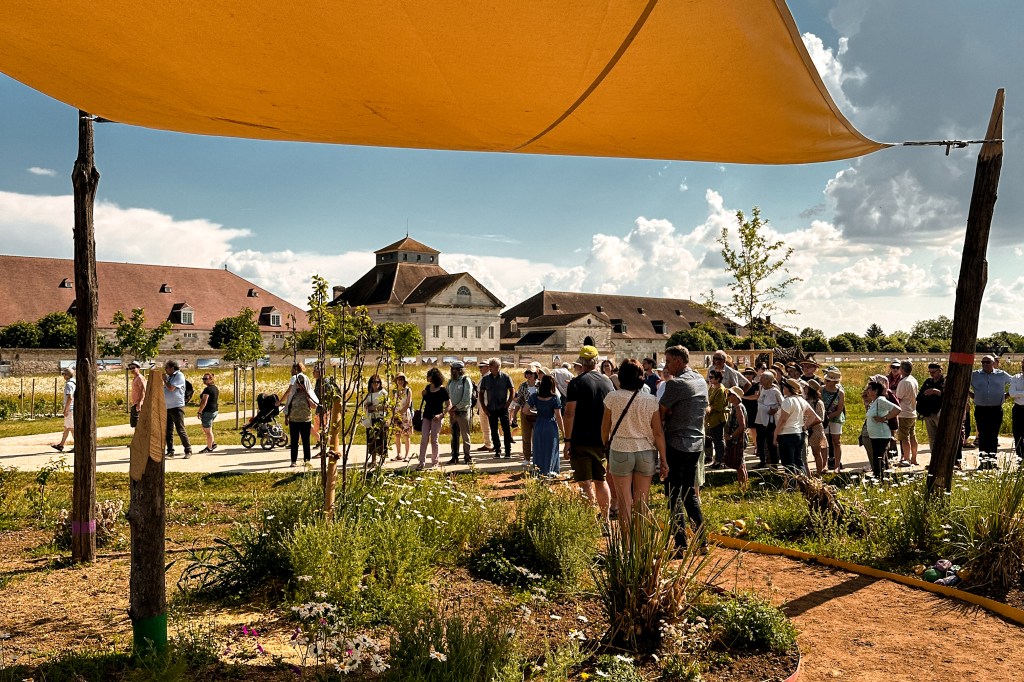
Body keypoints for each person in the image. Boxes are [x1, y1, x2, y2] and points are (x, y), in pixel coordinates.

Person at [602, 359, 667, 530]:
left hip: (620, 449)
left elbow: (605, 428)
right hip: (645, 451)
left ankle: (627, 550)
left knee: (624, 504)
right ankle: (639, 548)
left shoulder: (612, 397)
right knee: (641, 503)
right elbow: (658, 432)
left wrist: (605, 446)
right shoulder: (651, 400)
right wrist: (664, 459)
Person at [659, 345, 708, 555]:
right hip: (696, 443)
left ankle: (680, 544)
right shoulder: (700, 380)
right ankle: (702, 541)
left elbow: (659, 415)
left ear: (679, 360)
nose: (666, 365)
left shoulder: (675, 385)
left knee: (673, 495)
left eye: (668, 361)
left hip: (676, 443)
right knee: (690, 494)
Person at [563, 345, 615, 524]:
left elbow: (569, 413)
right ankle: (605, 519)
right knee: (601, 480)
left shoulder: (577, 383)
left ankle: (589, 521)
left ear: (581, 362)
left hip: (580, 438)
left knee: (585, 482)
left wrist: (567, 440)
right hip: (601, 438)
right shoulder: (607, 382)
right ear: (597, 361)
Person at [970, 355, 1011, 464]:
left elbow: (1014, 383)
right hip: (981, 409)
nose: (984, 364)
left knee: (993, 435)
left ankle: (992, 462)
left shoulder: (1002, 375)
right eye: (983, 362)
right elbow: (964, 385)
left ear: (994, 363)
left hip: (996, 409)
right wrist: (972, 395)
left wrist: (1006, 395)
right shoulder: (974, 375)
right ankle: (983, 462)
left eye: (987, 362)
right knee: (982, 435)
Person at [774, 378, 820, 474]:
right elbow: (814, 416)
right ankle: (803, 483)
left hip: (786, 434)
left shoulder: (788, 401)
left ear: (788, 389)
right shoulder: (801, 400)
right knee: (798, 461)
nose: (783, 388)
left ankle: (792, 485)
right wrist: (804, 426)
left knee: (788, 463)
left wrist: (775, 434)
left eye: (784, 387)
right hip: (799, 433)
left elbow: (783, 420)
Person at [527, 374, 564, 476]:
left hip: (539, 424)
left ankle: (538, 471)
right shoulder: (554, 398)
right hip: (550, 424)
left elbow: (525, 410)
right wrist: (563, 431)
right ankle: (550, 470)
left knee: (538, 448)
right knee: (551, 448)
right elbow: (558, 416)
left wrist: (535, 413)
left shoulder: (534, 396)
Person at [282, 363, 318, 466]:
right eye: (298, 383)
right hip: (294, 421)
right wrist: (286, 418)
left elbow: (314, 406)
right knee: (294, 441)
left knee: (306, 441)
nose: (300, 384)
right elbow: (288, 405)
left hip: (305, 420)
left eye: (301, 382)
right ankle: (293, 461)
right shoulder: (293, 394)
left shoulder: (308, 394)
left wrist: (307, 397)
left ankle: (307, 460)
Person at [864, 381, 901, 480]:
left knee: (879, 459)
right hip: (875, 435)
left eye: (869, 389)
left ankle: (880, 479)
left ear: (876, 391)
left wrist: (884, 418)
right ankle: (883, 478)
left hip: (881, 434)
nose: (867, 390)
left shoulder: (880, 400)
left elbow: (897, 409)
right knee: (879, 458)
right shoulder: (874, 402)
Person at [480, 358, 515, 458]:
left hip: (502, 407)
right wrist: (484, 407)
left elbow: (512, 391)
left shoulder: (505, 377)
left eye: (497, 366)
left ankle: (508, 451)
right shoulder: (486, 379)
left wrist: (508, 403)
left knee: (506, 430)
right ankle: (497, 450)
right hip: (491, 408)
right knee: (494, 430)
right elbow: (481, 393)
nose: (496, 368)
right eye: (492, 366)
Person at [418, 367, 449, 469]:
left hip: (437, 417)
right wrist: (424, 395)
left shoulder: (442, 390)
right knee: (424, 439)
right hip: (427, 416)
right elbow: (426, 401)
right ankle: (421, 461)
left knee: (434, 440)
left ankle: (435, 461)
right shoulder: (427, 388)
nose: (427, 377)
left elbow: (449, 404)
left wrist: (442, 415)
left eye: (429, 375)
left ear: (434, 377)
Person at [162, 360, 192, 458]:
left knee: (180, 429)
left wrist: (164, 380)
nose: (165, 370)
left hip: (177, 406)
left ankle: (188, 450)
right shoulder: (170, 377)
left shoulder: (179, 375)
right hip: (167, 407)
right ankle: (170, 451)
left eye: (166, 368)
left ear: (172, 368)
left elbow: (171, 388)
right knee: (168, 430)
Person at [447, 361, 474, 464]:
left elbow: (466, 398)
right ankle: (454, 456)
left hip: (462, 412)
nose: (453, 371)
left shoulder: (465, 380)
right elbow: (447, 395)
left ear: (460, 370)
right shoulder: (450, 382)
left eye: (455, 369)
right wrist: (449, 408)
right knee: (454, 435)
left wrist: (456, 407)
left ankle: (467, 457)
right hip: (452, 413)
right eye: (452, 369)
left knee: (465, 435)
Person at [754, 370, 782, 468]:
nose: (760, 380)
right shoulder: (761, 388)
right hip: (760, 418)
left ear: (768, 380)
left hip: (770, 420)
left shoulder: (775, 390)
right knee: (760, 441)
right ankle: (762, 461)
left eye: (762, 378)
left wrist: (775, 409)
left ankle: (774, 462)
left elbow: (782, 403)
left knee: (771, 441)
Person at [895, 360, 920, 466]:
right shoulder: (913, 380)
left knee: (904, 437)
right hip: (912, 411)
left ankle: (906, 459)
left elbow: (898, 398)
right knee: (912, 436)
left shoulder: (903, 382)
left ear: (902, 369)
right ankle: (914, 458)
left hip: (904, 412)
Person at [511, 369, 539, 462]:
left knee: (537, 436)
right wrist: (514, 415)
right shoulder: (523, 386)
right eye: (527, 373)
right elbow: (519, 401)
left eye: (531, 373)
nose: (529, 375)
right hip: (525, 413)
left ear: (535, 374)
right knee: (526, 436)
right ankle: (526, 457)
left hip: (538, 413)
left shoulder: (540, 385)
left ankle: (537, 457)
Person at [821, 368, 846, 472]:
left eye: (829, 380)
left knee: (836, 442)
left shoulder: (840, 393)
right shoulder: (821, 389)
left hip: (835, 418)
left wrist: (829, 416)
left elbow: (840, 409)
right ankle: (824, 465)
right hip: (823, 418)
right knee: (824, 441)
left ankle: (836, 466)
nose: (826, 382)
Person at [724, 386, 749, 486]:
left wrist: (731, 436)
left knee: (739, 466)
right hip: (737, 439)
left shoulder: (738, 407)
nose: (727, 397)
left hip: (738, 440)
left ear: (735, 396)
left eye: (729, 394)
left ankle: (742, 486)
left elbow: (742, 426)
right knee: (741, 464)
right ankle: (743, 486)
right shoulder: (737, 407)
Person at [917, 363, 945, 451]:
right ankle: (933, 460)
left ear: (940, 371)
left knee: (942, 437)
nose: (932, 374)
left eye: (934, 372)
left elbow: (950, 397)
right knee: (932, 438)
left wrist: (938, 393)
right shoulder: (928, 382)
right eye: (930, 372)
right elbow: (919, 395)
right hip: (928, 413)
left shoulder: (945, 382)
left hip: (940, 413)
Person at [361, 375, 388, 466]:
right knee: (371, 439)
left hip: (380, 418)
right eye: (373, 382)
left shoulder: (383, 393)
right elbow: (365, 405)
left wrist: (375, 408)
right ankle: (373, 460)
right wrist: (368, 406)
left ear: (380, 383)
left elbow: (386, 406)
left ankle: (382, 460)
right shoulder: (369, 394)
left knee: (382, 439)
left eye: (377, 382)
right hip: (371, 418)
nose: (375, 384)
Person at [705, 369, 727, 468]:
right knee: (713, 440)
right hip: (711, 420)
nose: (709, 379)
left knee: (719, 441)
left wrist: (710, 407)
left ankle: (720, 461)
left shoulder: (720, 389)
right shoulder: (712, 387)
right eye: (709, 377)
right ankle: (715, 460)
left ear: (718, 379)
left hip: (718, 419)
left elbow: (719, 406)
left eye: (711, 377)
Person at [805, 380, 828, 475]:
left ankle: (819, 474)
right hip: (808, 429)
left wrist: (808, 425)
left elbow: (820, 418)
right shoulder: (806, 400)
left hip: (815, 430)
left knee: (816, 453)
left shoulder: (818, 403)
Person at [51, 367, 76, 452]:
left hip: (70, 408)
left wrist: (66, 409)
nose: (63, 376)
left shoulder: (69, 384)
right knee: (66, 427)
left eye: (64, 374)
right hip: (72, 408)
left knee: (71, 428)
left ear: (67, 375)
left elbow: (70, 397)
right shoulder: (74, 382)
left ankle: (77, 445)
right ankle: (61, 445)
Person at [196, 372, 219, 455]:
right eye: (203, 378)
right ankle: (212, 443)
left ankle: (209, 447)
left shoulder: (208, 389)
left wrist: (200, 411)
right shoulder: (215, 388)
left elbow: (204, 401)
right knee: (209, 429)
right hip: (214, 410)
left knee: (207, 431)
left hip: (208, 411)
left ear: (211, 379)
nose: (204, 380)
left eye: (206, 379)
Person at [392, 373, 413, 461]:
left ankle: (407, 455)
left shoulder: (408, 390)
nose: (400, 381)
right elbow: (393, 402)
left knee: (406, 435)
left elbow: (408, 403)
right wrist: (394, 413)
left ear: (404, 381)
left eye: (402, 379)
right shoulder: (394, 391)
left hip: (405, 415)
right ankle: (398, 454)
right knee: (397, 435)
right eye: (398, 379)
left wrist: (401, 412)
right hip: (396, 414)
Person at [475, 365, 493, 452]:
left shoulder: (489, 377)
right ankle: (488, 444)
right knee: (485, 426)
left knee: (491, 425)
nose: (480, 369)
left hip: (488, 405)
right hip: (482, 405)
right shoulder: (483, 377)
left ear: (487, 367)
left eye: (482, 367)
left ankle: (493, 444)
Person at [1009, 359, 1024, 461]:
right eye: (1023, 363)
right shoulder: (1016, 378)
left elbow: (1015, 393)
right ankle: (1020, 457)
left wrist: (1019, 393)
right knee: (1018, 435)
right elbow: (1011, 393)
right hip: (1018, 409)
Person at [128, 361, 145, 429]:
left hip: (139, 403)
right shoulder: (135, 378)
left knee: (137, 421)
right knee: (134, 422)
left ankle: (139, 437)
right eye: (130, 368)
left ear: (138, 368)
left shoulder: (140, 378)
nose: (132, 369)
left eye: (133, 368)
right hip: (135, 402)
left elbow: (143, 390)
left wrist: (140, 402)